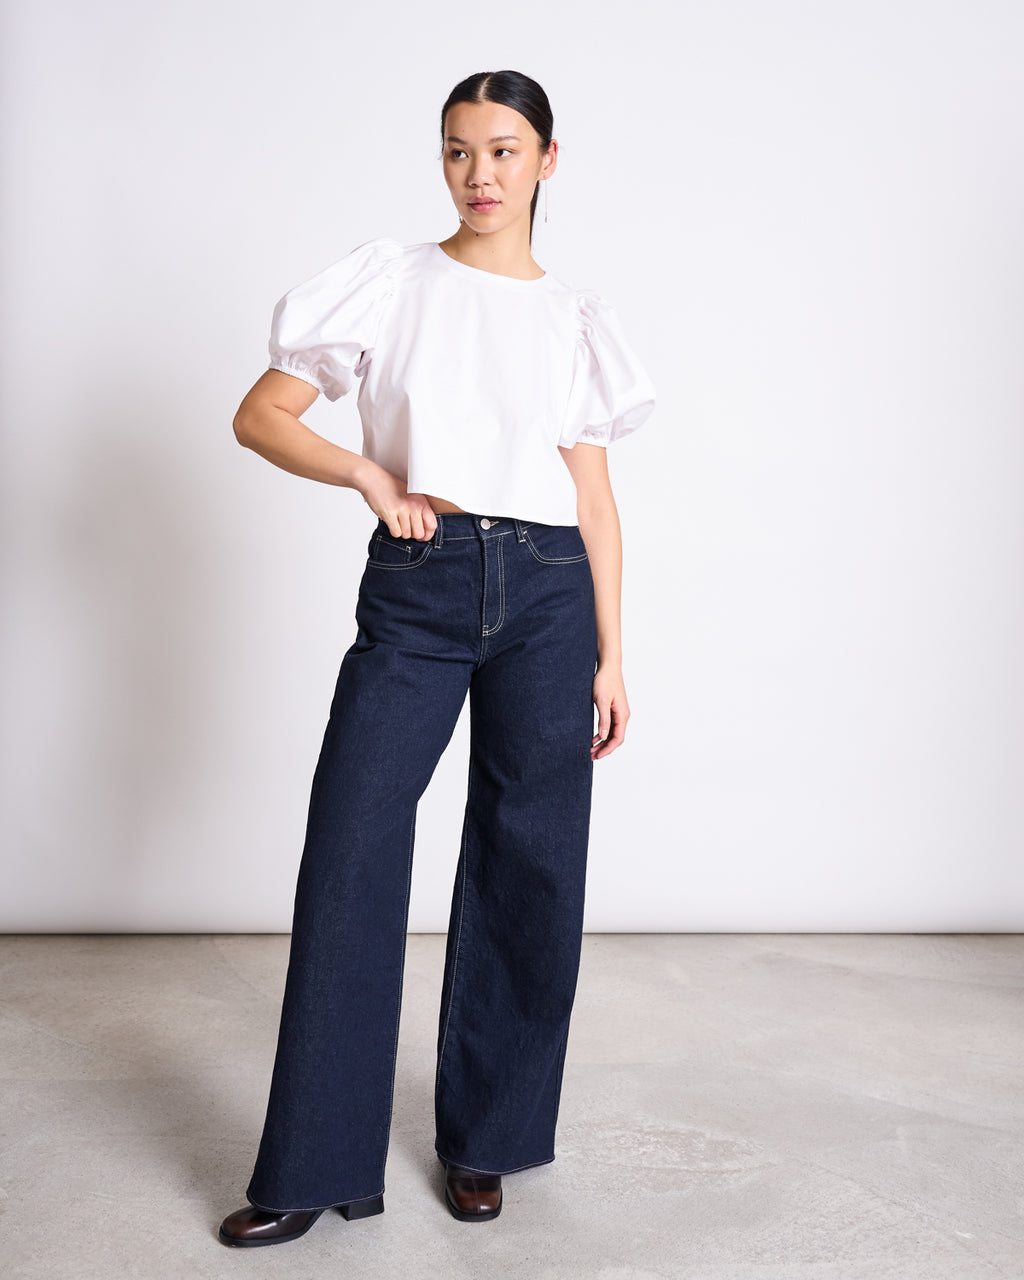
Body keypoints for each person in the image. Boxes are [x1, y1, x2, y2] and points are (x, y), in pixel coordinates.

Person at [218, 68, 656, 1248]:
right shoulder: (390, 282)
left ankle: (488, 1141)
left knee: (531, 864)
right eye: (459, 151)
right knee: (353, 844)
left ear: (547, 162)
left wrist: (612, 657)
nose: (480, 174)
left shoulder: (573, 317)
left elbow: (597, 502)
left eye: (505, 151)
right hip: (421, 581)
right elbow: (262, 413)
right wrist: (367, 474)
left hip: (553, 596)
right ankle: (309, 1162)